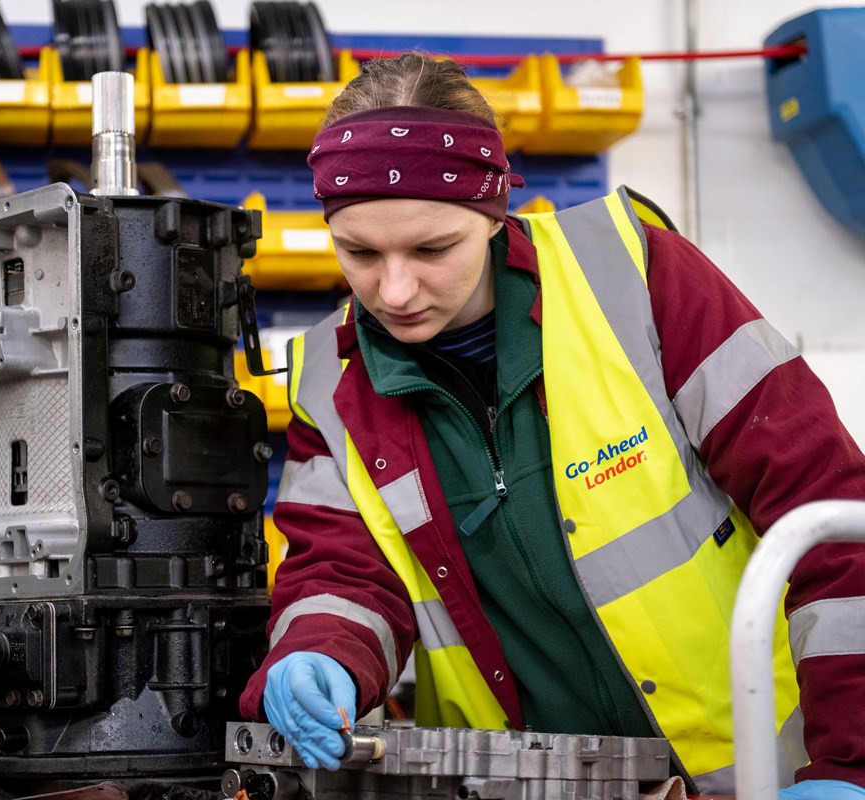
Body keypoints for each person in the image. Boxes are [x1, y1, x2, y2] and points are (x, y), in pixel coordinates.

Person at [238, 52, 865, 798]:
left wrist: (850, 767)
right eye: (360, 253)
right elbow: (343, 575)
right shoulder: (330, 382)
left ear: (494, 210)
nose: (395, 289)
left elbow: (829, 518)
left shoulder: (637, 278)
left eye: (433, 249)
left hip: (762, 774)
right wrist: (320, 654)